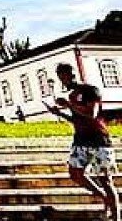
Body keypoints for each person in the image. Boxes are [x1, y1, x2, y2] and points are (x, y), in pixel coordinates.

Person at [45, 62, 117, 221]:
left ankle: (116, 216)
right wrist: (59, 113)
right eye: (60, 77)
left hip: (99, 140)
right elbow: (76, 119)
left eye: (65, 76)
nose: (63, 80)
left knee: (106, 179)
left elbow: (92, 114)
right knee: (75, 173)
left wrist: (69, 104)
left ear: (72, 74)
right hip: (80, 140)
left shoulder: (90, 90)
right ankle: (104, 197)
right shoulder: (71, 95)